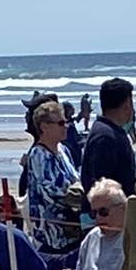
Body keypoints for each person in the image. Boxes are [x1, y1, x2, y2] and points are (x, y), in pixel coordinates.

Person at [22, 99, 84, 256]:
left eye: (67, 122)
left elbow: (76, 179)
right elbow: (52, 191)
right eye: (61, 123)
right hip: (53, 237)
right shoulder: (38, 155)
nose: (67, 126)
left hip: (73, 229)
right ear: (44, 126)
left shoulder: (63, 150)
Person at [82, 78, 136, 194]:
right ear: (127, 104)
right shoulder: (106, 137)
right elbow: (102, 187)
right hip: (113, 209)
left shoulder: (111, 131)